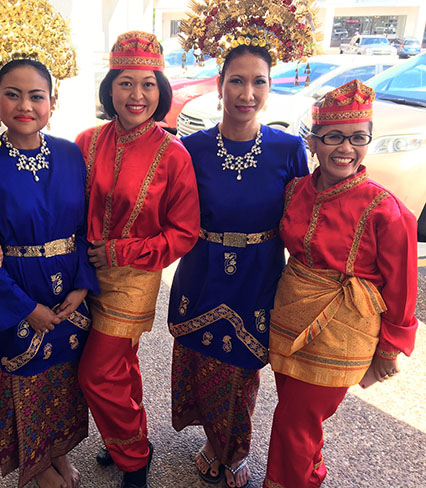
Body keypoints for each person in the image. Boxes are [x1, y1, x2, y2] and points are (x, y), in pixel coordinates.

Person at [168, 2, 316, 486]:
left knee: (242, 368)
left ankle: (233, 448)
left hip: (258, 274)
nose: (246, 92)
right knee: (202, 358)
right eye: (236, 80)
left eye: (259, 82)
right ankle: (214, 439)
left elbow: (304, 221)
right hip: (202, 269)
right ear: (219, 85)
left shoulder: (287, 149)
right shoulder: (189, 150)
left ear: (271, 90)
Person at [0, 2, 97, 487]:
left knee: (64, 382)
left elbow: (86, 230)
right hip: (19, 296)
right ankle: (36, 467)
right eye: (13, 95)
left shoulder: (71, 154)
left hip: (70, 295)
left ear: (52, 102)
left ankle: (57, 454)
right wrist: (24, 309)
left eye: (36, 96)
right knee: (26, 386)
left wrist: (81, 287)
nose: (25, 106)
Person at [264, 80, 418, 488]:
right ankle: (312, 475)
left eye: (357, 137)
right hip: (288, 320)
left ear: (369, 140)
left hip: (342, 332)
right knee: (300, 420)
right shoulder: (296, 191)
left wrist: (389, 348)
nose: (345, 148)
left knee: (293, 424)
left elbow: (401, 287)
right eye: (333, 137)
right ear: (312, 142)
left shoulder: (386, 210)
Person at [76, 31, 200, 488]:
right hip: (84, 271)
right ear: (110, 87)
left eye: (148, 84)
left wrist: (121, 250)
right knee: (121, 365)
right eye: (126, 82)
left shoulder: (174, 154)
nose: (137, 95)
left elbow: (184, 233)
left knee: (96, 372)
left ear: (161, 91)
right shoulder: (87, 140)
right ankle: (126, 437)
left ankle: (134, 458)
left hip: (135, 276)